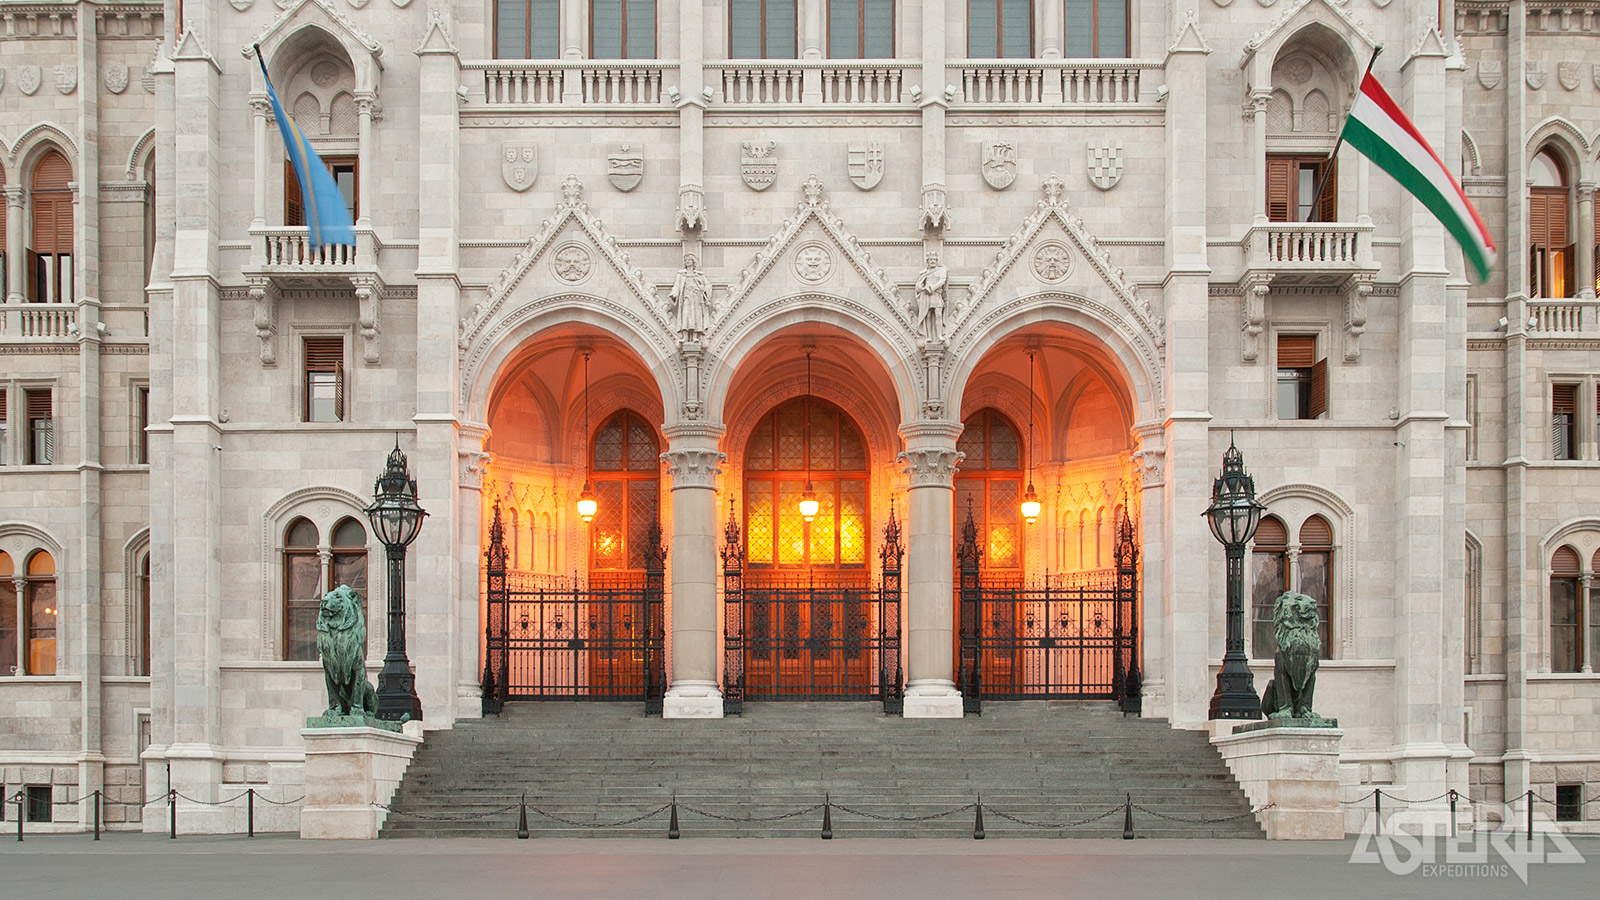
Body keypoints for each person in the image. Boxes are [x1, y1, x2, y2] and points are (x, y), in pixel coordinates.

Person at [669, 254, 713, 344]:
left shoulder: (699, 275)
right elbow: (677, 285)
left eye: (689, 260)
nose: (687, 261)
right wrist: (674, 294)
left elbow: (708, 285)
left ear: (693, 262)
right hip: (686, 297)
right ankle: (685, 337)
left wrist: (704, 289)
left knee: (696, 316)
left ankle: (695, 337)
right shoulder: (681, 274)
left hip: (697, 298)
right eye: (686, 260)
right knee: (686, 315)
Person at [914, 252, 949, 343]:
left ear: (937, 261)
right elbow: (919, 284)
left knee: (938, 314)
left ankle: (939, 335)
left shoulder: (942, 270)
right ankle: (928, 336)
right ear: (928, 261)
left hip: (936, 294)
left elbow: (942, 281)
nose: (932, 261)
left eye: (934, 259)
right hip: (927, 296)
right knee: (928, 315)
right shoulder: (925, 272)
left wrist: (933, 287)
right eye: (931, 260)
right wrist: (922, 288)